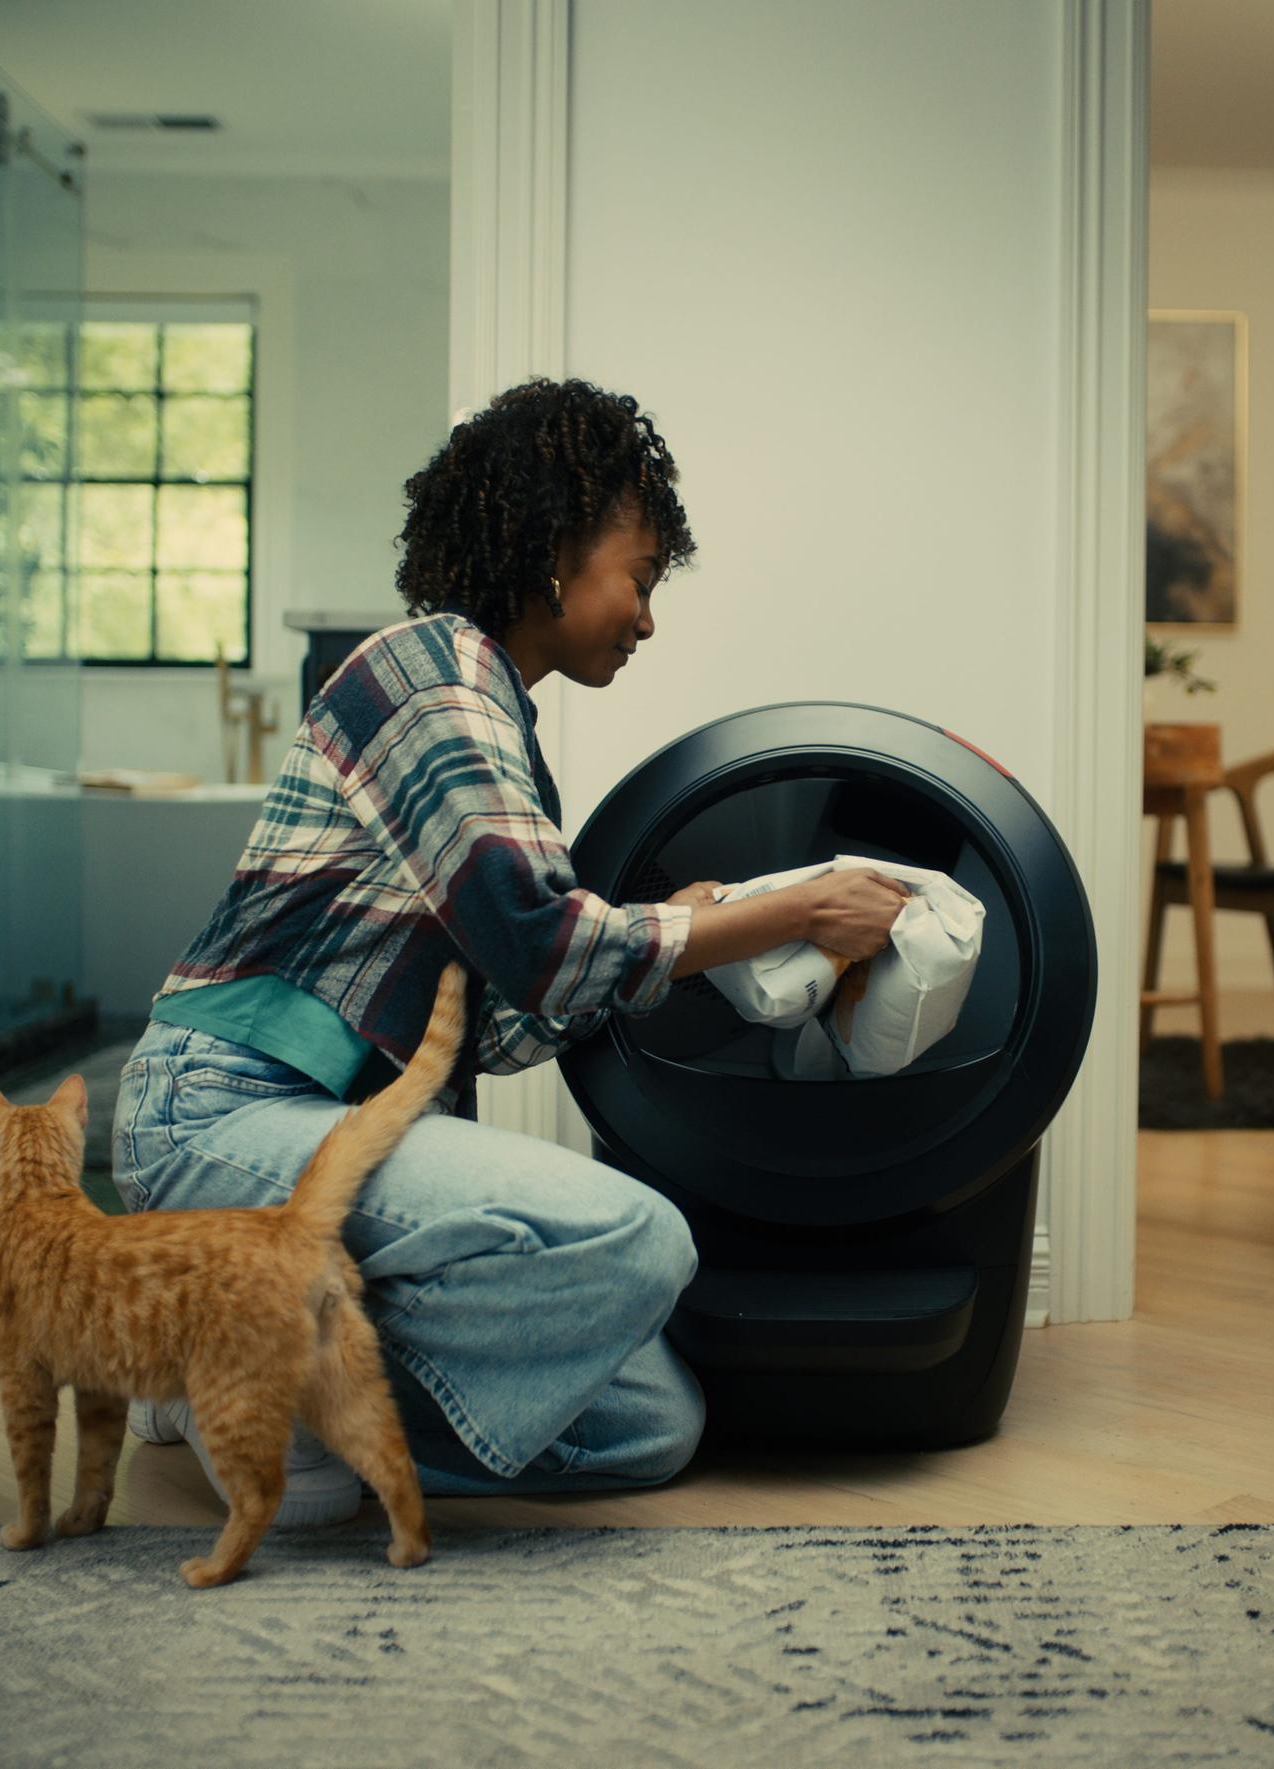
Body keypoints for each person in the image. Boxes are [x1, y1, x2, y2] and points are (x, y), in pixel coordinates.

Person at [110, 377, 912, 1520]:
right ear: (553, 550)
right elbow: (546, 947)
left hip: (345, 1137)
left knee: (650, 1426)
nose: (647, 615)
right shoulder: (428, 673)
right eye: (638, 575)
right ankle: (226, 1359)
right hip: (225, 1118)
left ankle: (270, 1374)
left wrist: (675, 928)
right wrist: (789, 911)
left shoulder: (495, 723)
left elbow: (504, 1015)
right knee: (638, 1240)